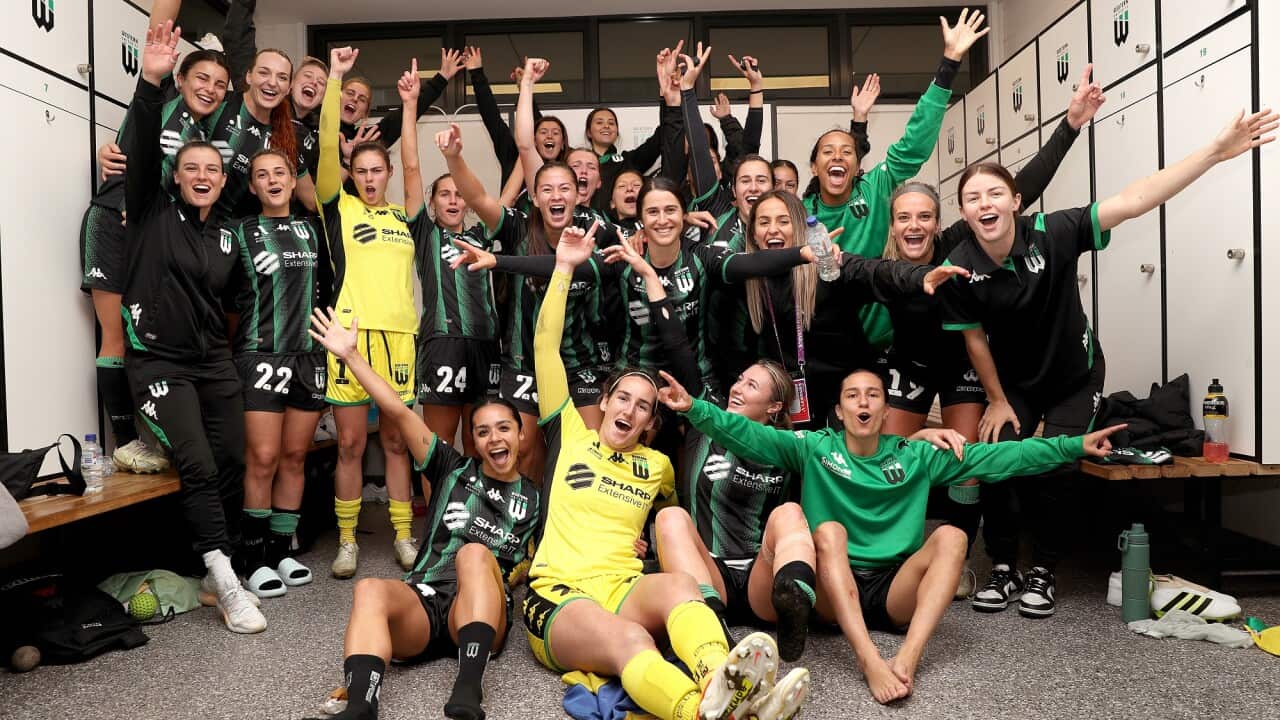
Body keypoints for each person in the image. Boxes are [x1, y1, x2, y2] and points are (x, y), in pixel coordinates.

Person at [937, 106, 1279, 619]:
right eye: (971, 199)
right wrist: (998, 400)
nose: (983, 204)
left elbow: (1135, 199)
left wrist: (1213, 151)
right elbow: (975, 342)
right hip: (1014, 383)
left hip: (1075, 375)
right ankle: (1004, 563)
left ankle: (1044, 569)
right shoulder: (959, 266)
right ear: (963, 214)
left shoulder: (1055, 231)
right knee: (997, 458)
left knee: (1055, 460)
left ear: (1014, 200)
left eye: (993, 193)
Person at [657, 367, 1125, 703]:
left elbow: (1001, 459)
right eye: (853, 396)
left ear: (886, 410)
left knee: (952, 539)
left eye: (873, 395)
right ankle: (867, 658)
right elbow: (749, 436)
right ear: (838, 411)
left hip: (891, 588)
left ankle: (907, 659)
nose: (863, 402)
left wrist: (1073, 445)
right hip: (828, 589)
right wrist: (694, 409)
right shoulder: (816, 447)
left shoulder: (917, 455)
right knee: (830, 530)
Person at [520, 220, 813, 720]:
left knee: (681, 588)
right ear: (604, 401)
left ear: (651, 422)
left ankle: (728, 684)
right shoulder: (570, 431)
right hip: (560, 595)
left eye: (643, 406)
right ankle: (693, 713)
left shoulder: (656, 467)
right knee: (632, 640)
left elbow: (673, 521)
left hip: (624, 587)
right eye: (622, 398)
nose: (629, 410)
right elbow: (545, 346)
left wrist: (647, 546)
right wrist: (565, 267)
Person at [878, 65, 1107, 598]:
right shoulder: (884, 269)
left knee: (969, 460)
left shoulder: (962, 242)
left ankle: (957, 563)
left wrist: (1070, 126)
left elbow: (1021, 187)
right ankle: (897, 557)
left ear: (940, 222)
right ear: (892, 226)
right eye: (904, 218)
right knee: (889, 456)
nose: (914, 226)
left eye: (925, 217)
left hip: (963, 364)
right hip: (911, 365)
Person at [307, 306, 539, 720]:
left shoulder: (537, 499)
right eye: (482, 432)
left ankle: (468, 690)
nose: (494, 438)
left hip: (480, 609)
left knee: (472, 553)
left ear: (521, 435)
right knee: (370, 589)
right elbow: (397, 410)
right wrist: (351, 358)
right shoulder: (451, 467)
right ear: (474, 442)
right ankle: (362, 704)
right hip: (425, 601)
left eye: (504, 428)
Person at [604, 235, 815, 663]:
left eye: (750, 386)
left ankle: (795, 608)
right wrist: (648, 274)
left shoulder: (789, 446)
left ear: (774, 406)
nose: (737, 387)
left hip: (760, 578)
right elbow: (677, 342)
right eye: (739, 380)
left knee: (790, 513)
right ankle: (712, 625)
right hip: (706, 574)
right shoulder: (706, 418)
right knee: (671, 516)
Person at [120, 21, 263, 634]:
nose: (204, 174)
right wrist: (153, 80)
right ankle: (226, 580)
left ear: (222, 179)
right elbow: (145, 140)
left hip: (213, 363)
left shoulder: (227, 234)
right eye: (192, 167)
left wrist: (225, 353)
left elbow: (236, 301)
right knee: (200, 463)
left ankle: (212, 565)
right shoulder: (151, 208)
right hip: (158, 364)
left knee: (234, 455)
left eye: (213, 169)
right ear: (176, 176)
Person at [82, 3, 226, 476]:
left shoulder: (202, 137)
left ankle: (153, 436)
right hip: (112, 220)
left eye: (219, 85)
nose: (209, 89)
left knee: (146, 336)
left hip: (147, 236)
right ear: (181, 80)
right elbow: (160, 26)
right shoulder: (159, 100)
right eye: (200, 78)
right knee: (116, 334)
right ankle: (124, 442)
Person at [437, 124, 622, 476]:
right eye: (547, 189)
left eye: (565, 188)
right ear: (535, 198)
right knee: (524, 451)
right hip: (524, 364)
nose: (557, 195)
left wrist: (498, 261)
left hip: (579, 363)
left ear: (577, 196)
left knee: (592, 451)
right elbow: (478, 198)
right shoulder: (518, 229)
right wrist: (454, 157)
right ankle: (531, 528)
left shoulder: (596, 232)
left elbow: (567, 265)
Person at [803, 8, 987, 350]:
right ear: (814, 167)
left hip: (888, 341)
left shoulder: (875, 186)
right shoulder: (801, 213)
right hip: (828, 343)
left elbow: (915, 143)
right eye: (827, 151)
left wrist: (949, 64)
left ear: (859, 165)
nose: (838, 156)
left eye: (847, 151)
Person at [315, 47, 422, 577]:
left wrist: (410, 104)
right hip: (349, 335)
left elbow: (412, 162)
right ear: (351, 173)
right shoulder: (339, 206)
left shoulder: (405, 214)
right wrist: (334, 78)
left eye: (378, 170)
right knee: (352, 443)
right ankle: (349, 540)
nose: (371, 177)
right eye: (362, 169)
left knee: (399, 440)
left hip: (398, 338)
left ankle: (404, 535)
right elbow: (325, 152)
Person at [736, 191, 966, 429]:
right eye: (764, 222)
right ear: (753, 233)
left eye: (783, 221)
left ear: (800, 229)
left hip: (850, 393)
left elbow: (876, 272)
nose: (773, 229)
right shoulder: (747, 284)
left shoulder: (827, 266)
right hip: (796, 398)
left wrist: (921, 275)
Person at [223, 147, 328, 597]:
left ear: (292, 179)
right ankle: (253, 557)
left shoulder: (314, 229)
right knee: (263, 458)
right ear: (252, 186)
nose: (272, 180)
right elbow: (224, 298)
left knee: (294, 458)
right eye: (261, 174)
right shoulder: (240, 232)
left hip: (308, 357)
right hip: (259, 354)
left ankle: (282, 549)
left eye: (280, 173)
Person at [400, 64, 501, 461]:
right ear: (433, 202)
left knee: (484, 446)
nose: (454, 200)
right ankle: (442, 523)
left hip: (485, 345)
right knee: (438, 449)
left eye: (460, 193)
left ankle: (481, 521)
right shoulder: (425, 234)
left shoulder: (484, 234)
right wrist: (411, 105)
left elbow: (514, 178)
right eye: (445, 194)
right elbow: (410, 168)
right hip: (441, 344)